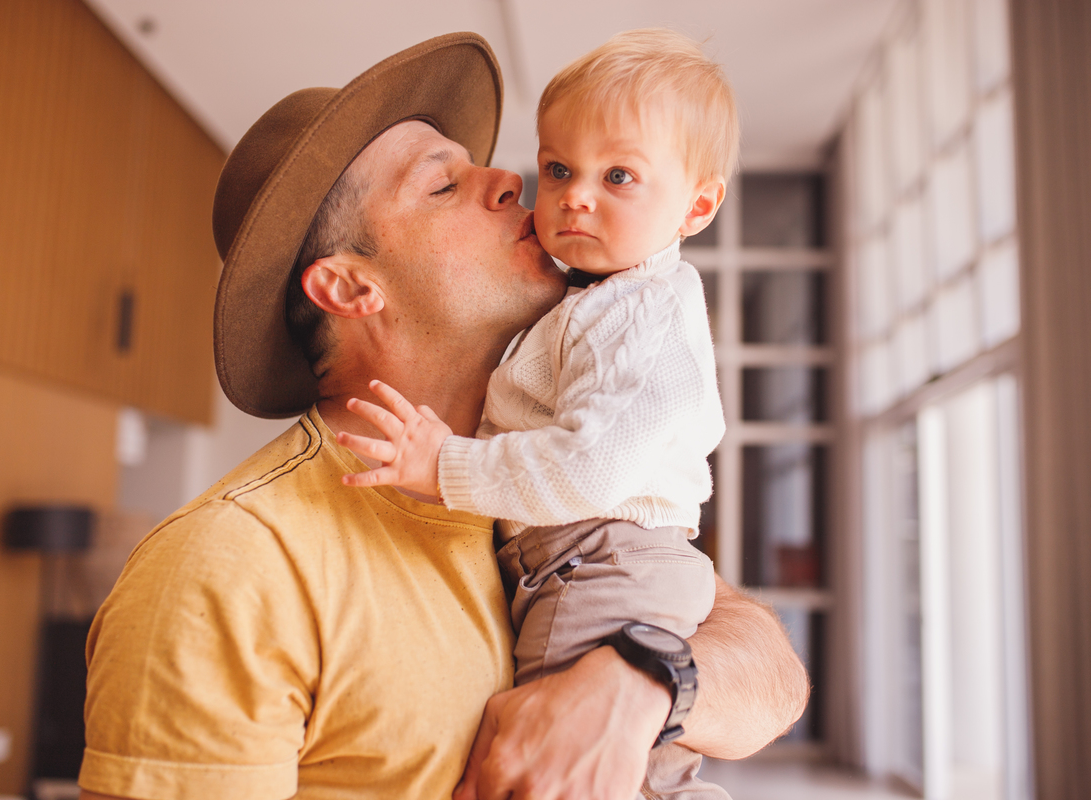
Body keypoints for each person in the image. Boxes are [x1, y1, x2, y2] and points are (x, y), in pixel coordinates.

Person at [78, 33, 807, 800]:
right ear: (350, 288)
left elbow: (775, 678)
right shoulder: (229, 565)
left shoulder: (542, 477)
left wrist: (640, 684)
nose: (507, 178)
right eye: (441, 186)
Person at [337, 28, 736, 798]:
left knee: (550, 762)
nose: (571, 196)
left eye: (619, 175)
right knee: (643, 771)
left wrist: (442, 465)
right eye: (558, 168)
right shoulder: (601, 303)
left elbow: (592, 468)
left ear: (697, 204)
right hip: (602, 557)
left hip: (596, 559)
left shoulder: (634, 312)